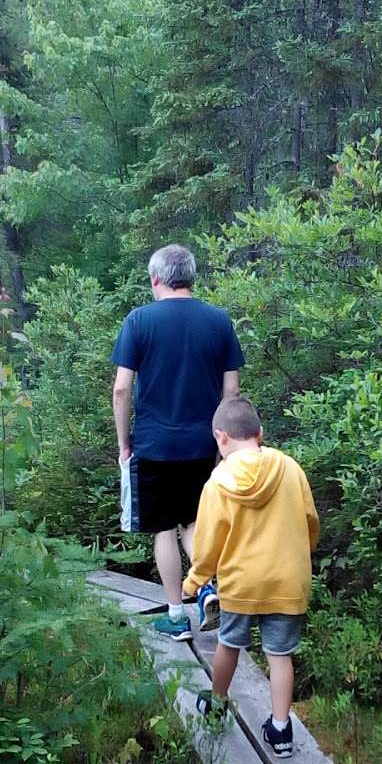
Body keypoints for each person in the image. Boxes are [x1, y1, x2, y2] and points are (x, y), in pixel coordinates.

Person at [111, 244, 244, 640]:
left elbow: (121, 389)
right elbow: (232, 391)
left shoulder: (139, 321)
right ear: (190, 276)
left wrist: (123, 444)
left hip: (153, 444)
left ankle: (175, 615)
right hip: (204, 445)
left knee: (164, 529)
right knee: (193, 521)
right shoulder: (219, 321)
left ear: (156, 279)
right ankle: (208, 588)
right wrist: (225, 446)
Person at [182, 395, 319, 757]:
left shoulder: (217, 483)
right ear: (260, 433)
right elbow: (310, 522)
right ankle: (281, 731)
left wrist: (195, 580)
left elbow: (209, 542)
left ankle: (216, 704)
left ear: (220, 437)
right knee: (279, 654)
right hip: (288, 580)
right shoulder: (290, 469)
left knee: (229, 643)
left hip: (241, 583)